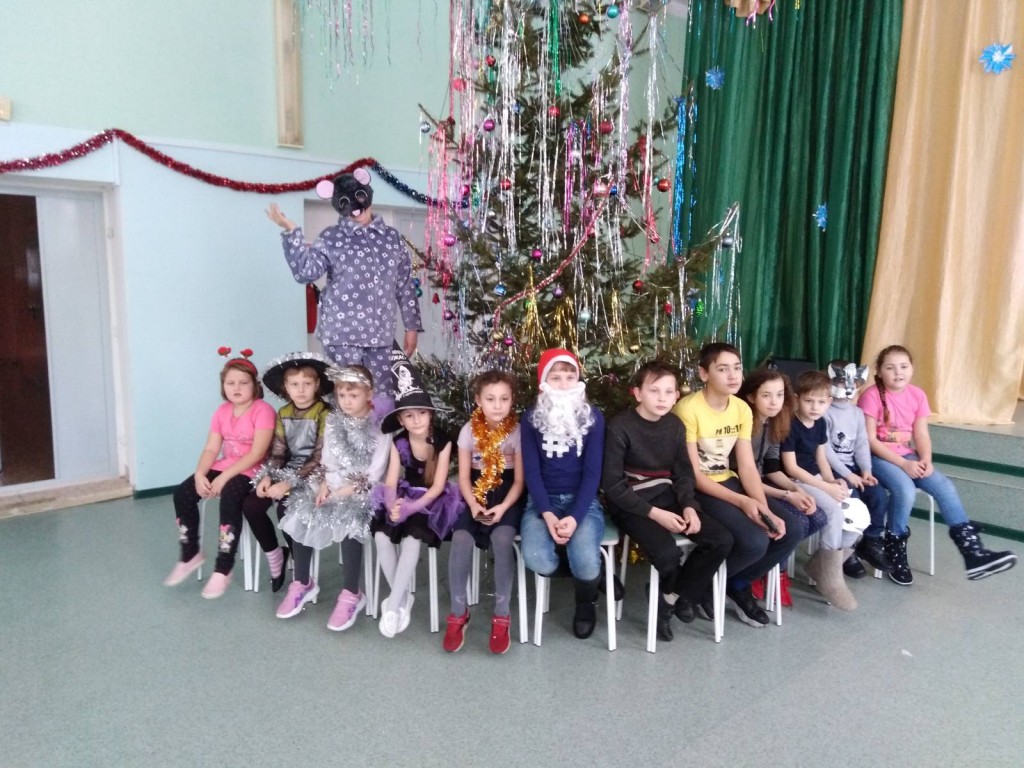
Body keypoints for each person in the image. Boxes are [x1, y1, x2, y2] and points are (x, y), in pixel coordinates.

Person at [860, 345, 1016, 583]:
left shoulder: (918, 395)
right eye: (890, 368)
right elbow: (869, 440)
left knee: (944, 486)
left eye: (903, 366)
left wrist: (925, 459)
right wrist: (903, 464)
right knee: (905, 490)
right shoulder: (871, 396)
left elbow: (921, 434)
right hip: (878, 457)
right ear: (879, 372)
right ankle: (894, 548)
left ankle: (972, 553)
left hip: (908, 455)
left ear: (912, 368)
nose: (898, 372)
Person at [602, 361, 732, 643]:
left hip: (668, 497)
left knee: (720, 539)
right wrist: (655, 514)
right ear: (638, 393)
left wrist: (689, 506)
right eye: (654, 390)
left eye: (669, 391)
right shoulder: (620, 426)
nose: (662, 398)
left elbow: (683, 474)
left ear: (676, 396)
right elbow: (613, 486)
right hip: (631, 504)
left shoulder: (675, 426)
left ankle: (670, 597)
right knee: (667, 553)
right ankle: (681, 596)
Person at [674, 343, 801, 629]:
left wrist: (765, 509)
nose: (733, 375)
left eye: (737, 368)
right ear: (704, 374)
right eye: (723, 369)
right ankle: (704, 586)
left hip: (728, 480)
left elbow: (746, 466)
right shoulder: (688, 409)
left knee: (791, 529)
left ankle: (734, 584)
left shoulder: (742, 408)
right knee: (755, 541)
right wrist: (744, 502)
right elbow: (694, 474)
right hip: (699, 488)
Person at [265, 168, 423, 393]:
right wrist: (291, 232)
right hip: (342, 335)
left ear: (367, 193)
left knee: (380, 399)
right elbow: (306, 273)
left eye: (359, 198)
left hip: (381, 335)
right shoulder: (331, 237)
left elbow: (405, 285)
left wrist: (411, 326)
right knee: (346, 398)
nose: (356, 209)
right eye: (346, 203)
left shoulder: (392, 239)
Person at [275, 365, 391, 630]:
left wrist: (341, 492)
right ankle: (302, 582)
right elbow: (327, 460)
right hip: (334, 482)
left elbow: (374, 474)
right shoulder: (334, 421)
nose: (347, 402)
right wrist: (324, 485)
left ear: (369, 394)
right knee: (303, 508)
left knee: (352, 518)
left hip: (364, 489)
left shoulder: (380, 426)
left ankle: (351, 593)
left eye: (354, 396)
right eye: (341, 395)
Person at [164, 348, 275, 599]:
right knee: (182, 493)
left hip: (253, 470)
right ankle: (190, 554)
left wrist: (224, 477)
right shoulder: (222, 411)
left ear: (254, 385)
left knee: (231, 497)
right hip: (225, 465)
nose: (236, 388)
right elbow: (212, 448)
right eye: (230, 383)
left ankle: (223, 569)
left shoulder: (263, 410)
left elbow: (257, 453)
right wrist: (200, 474)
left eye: (243, 383)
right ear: (223, 386)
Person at [372, 353, 462, 637]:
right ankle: (402, 599)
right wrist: (392, 505)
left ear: (430, 414)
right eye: (409, 415)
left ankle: (392, 606)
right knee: (381, 536)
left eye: (421, 413)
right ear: (401, 418)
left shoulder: (443, 441)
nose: (416, 420)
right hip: (404, 494)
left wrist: (412, 508)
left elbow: (437, 486)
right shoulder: (399, 441)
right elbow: (390, 480)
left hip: (432, 501)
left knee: (412, 539)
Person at [520, 349, 606, 640]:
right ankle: (592, 576)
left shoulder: (593, 417)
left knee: (585, 558)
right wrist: (547, 513)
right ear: (544, 382)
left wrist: (574, 516)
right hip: (542, 502)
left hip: (582, 502)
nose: (564, 384)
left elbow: (592, 474)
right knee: (537, 559)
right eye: (556, 378)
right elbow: (532, 471)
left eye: (570, 377)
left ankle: (585, 602)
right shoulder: (530, 418)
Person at [444, 371, 525, 655]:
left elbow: (519, 481)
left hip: (508, 496)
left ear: (512, 400)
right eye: (490, 399)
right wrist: (474, 504)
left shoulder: (517, 431)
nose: (497, 405)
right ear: (479, 400)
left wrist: (503, 507)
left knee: (502, 540)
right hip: (476, 494)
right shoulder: (468, 431)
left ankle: (502, 614)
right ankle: (458, 612)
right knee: (461, 539)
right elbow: (464, 477)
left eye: (504, 399)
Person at [736, 368, 828, 606]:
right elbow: (743, 476)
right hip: (740, 486)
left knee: (818, 517)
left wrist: (797, 490)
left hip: (763, 482)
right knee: (796, 525)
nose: (774, 402)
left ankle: (765, 566)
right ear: (751, 397)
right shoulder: (744, 423)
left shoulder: (776, 421)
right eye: (766, 395)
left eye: (779, 395)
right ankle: (752, 575)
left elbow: (772, 469)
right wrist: (786, 495)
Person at [244, 352, 333, 592]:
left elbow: (319, 457)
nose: (301, 390)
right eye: (294, 384)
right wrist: (268, 476)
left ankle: (300, 567)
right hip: (288, 471)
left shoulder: (324, 413)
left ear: (317, 385)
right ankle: (276, 553)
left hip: (315, 475)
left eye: (307, 384)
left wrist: (288, 484)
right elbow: (278, 453)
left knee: (286, 509)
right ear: (286, 387)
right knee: (251, 505)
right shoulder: (283, 413)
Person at [781, 370, 860, 610]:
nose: (815, 407)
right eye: (809, 401)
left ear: (829, 402)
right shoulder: (790, 425)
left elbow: (821, 457)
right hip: (795, 481)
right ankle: (829, 577)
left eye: (821, 402)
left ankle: (823, 566)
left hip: (815, 478)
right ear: (797, 399)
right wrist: (825, 487)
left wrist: (832, 481)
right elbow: (791, 468)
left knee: (856, 514)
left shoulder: (821, 423)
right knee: (833, 512)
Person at [823, 360, 893, 579]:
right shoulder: (824, 412)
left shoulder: (857, 413)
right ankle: (846, 552)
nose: (848, 387)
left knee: (878, 496)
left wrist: (866, 470)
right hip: (833, 470)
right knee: (851, 502)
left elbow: (862, 444)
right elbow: (825, 451)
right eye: (842, 382)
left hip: (854, 469)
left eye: (852, 383)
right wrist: (848, 475)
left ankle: (870, 541)